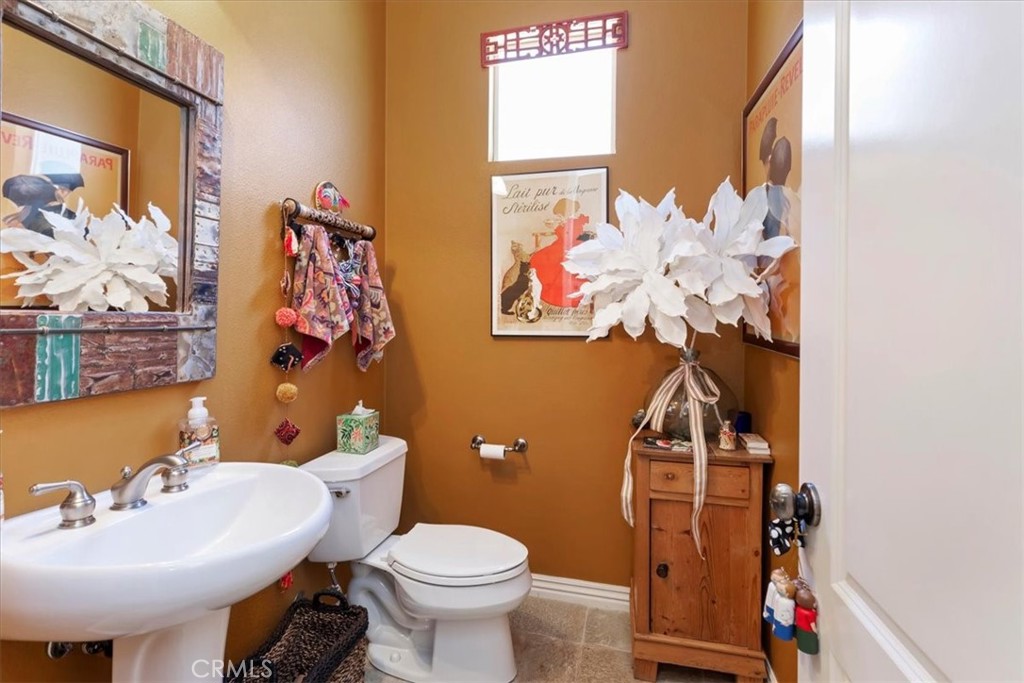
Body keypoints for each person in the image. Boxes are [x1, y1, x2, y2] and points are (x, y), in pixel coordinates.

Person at [529, 198, 590, 308]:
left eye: (560, 215)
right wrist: (559, 225)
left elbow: (569, 237)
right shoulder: (569, 221)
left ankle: (548, 286)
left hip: (570, 247)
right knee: (540, 256)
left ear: (565, 213)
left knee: (545, 258)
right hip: (562, 245)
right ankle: (543, 284)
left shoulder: (575, 222)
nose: (559, 218)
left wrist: (556, 227)